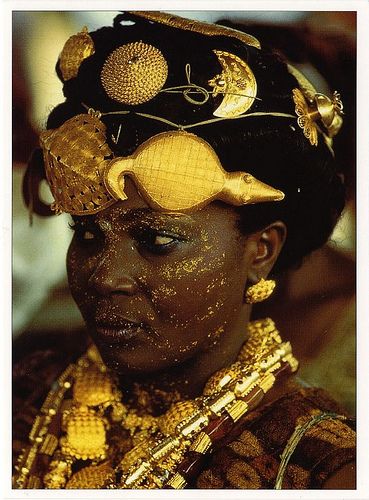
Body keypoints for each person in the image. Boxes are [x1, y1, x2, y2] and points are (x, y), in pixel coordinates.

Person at [13, 11, 355, 490]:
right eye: (87, 234)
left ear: (261, 250)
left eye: (156, 240)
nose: (105, 275)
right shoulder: (26, 388)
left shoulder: (322, 469)